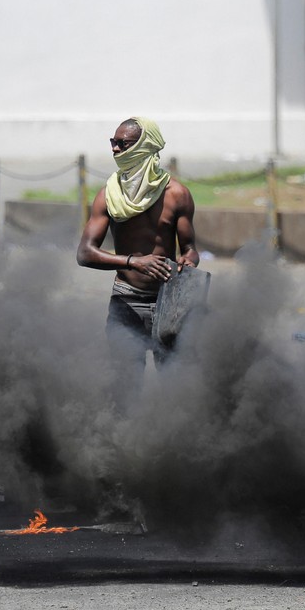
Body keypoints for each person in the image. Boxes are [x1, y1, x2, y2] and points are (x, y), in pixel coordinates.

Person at [76, 116, 199, 411]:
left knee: (174, 386)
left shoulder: (177, 195)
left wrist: (187, 261)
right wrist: (133, 262)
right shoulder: (109, 195)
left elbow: (191, 249)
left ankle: (169, 446)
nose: (116, 150)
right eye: (113, 143)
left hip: (168, 302)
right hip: (126, 301)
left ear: (145, 147)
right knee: (124, 387)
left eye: (123, 144)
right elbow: (85, 253)